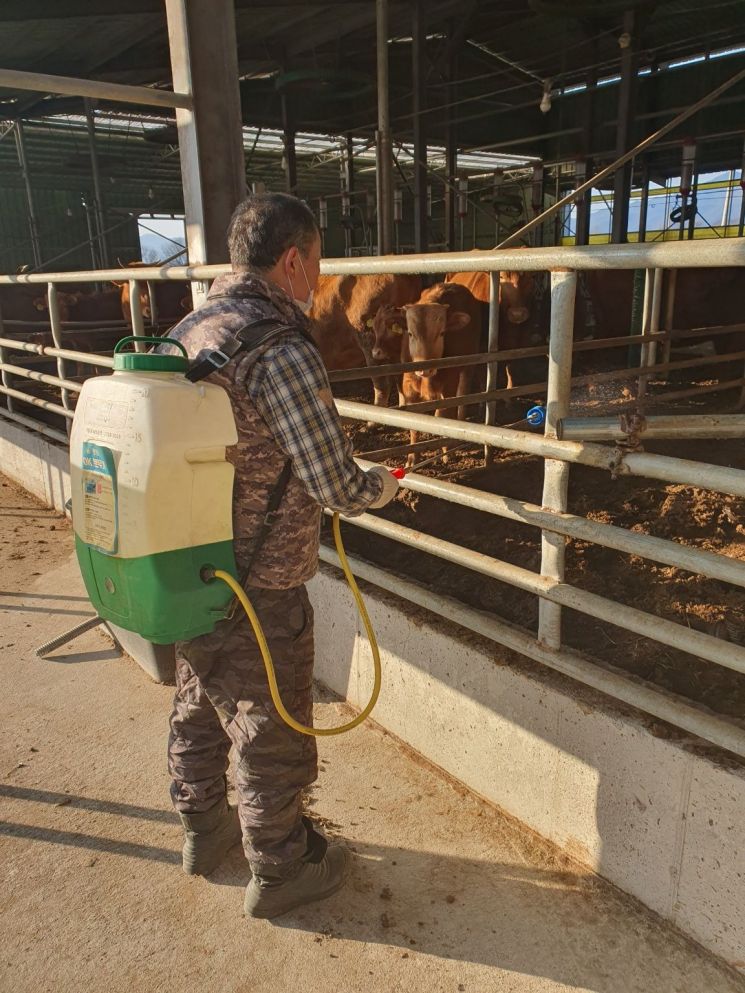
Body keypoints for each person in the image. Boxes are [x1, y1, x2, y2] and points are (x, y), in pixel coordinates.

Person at [163, 193, 398, 919]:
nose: (317, 277)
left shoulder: (187, 330)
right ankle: (281, 866)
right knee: (272, 723)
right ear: (293, 258)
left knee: (198, 694)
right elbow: (332, 482)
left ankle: (203, 832)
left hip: (190, 561)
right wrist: (379, 487)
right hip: (262, 575)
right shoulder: (282, 349)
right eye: (317, 262)